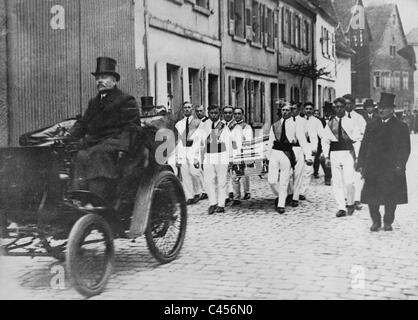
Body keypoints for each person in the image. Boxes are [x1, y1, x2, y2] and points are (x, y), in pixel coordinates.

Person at [70, 57, 141, 204]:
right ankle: (79, 199)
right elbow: (83, 123)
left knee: (97, 154)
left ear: (114, 81)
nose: (99, 81)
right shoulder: (94, 102)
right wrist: (69, 137)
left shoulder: (126, 100)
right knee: (79, 155)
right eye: (97, 78)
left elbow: (131, 127)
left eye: (103, 77)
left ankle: (99, 202)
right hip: (97, 142)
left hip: (116, 142)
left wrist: (123, 148)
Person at [358, 93, 410, 232]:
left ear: (392, 109)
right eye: (379, 107)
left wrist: (400, 164)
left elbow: (405, 148)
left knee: (391, 196)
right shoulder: (371, 125)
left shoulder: (401, 126)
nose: (380, 110)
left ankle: (388, 221)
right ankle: (376, 221)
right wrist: (361, 164)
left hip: (392, 168)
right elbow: (364, 145)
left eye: (384, 108)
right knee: (371, 196)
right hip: (373, 167)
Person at [322, 98, 361, 218]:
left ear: (345, 108)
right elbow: (325, 141)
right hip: (334, 153)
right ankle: (341, 207)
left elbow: (357, 140)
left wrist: (357, 156)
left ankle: (350, 203)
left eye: (341, 107)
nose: (338, 109)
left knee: (349, 181)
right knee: (337, 182)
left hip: (347, 153)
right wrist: (326, 156)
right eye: (336, 107)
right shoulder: (330, 124)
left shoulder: (351, 122)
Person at [267, 103, 303, 214]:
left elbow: (302, 139)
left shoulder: (296, 125)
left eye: (288, 110)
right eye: (283, 110)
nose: (285, 112)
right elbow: (270, 141)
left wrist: (307, 154)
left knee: (284, 180)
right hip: (275, 153)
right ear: (280, 111)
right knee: (272, 180)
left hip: (287, 153)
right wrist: (268, 156)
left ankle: (281, 204)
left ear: (291, 112)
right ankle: (282, 195)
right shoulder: (275, 125)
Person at [199, 105, 233, 214]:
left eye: (215, 113)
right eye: (211, 113)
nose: (213, 115)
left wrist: (230, 158)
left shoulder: (223, 127)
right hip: (208, 155)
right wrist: (198, 158)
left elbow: (228, 144)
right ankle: (212, 203)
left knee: (222, 181)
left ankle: (221, 204)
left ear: (219, 114)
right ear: (208, 113)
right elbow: (199, 143)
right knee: (209, 180)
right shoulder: (203, 125)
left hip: (221, 154)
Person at [175, 102, 202, 205]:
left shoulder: (197, 122)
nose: (187, 109)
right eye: (185, 108)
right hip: (183, 150)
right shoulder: (179, 124)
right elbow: (178, 140)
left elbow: (199, 139)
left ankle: (198, 191)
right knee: (185, 174)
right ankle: (190, 196)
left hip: (194, 150)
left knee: (194, 172)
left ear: (192, 109)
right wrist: (178, 156)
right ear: (183, 109)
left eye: (189, 107)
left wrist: (198, 153)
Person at [343, 94, 367, 211]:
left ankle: (357, 199)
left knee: (357, 175)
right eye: (345, 103)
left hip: (357, 147)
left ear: (353, 104)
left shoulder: (359, 118)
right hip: (343, 149)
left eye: (349, 103)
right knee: (346, 175)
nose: (347, 105)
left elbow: (365, 133)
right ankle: (348, 199)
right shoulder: (339, 118)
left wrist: (358, 142)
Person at [287, 102, 311, 207]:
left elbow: (305, 138)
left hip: (299, 148)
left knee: (298, 174)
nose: (292, 111)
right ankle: (290, 194)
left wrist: (308, 155)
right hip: (287, 149)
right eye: (290, 109)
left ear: (299, 110)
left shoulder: (304, 122)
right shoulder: (286, 121)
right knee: (287, 173)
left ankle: (295, 197)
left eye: (294, 109)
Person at [300, 102, 323, 199]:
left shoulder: (317, 121)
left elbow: (322, 135)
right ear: (304, 110)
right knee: (299, 169)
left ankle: (302, 192)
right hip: (300, 147)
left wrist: (319, 149)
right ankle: (295, 190)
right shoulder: (300, 121)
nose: (308, 110)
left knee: (308, 170)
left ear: (313, 110)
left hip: (311, 147)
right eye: (306, 109)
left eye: (310, 109)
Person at [231, 107, 253, 203]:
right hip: (233, 153)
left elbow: (248, 141)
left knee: (244, 173)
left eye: (239, 113)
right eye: (235, 114)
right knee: (234, 175)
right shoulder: (231, 126)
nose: (237, 116)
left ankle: (247, 191)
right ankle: (236, 196)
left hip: (244, 153)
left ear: (242, 115)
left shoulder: (246, 127)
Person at [222, 106, 243, 204]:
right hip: (221, 153)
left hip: (233, 154)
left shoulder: (236, 127)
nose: (227, 115)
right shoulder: (219, 126)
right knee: (224, 177)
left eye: (230, 113)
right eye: (225, 113)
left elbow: (237, 144)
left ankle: (236, 197)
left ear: (232, 114)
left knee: (235, 177)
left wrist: (234, 157)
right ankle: (225, 196)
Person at [313, 103, 332, 185]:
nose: (327, 112)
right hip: (322, 143)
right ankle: (327, 175)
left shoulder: (334, 120)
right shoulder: (319, 121)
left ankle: (329, 175)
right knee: (321, 158)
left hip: (333, 143)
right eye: (325, 111)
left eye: (329, 111)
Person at [194, 105, 209, 200]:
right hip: (197, 148)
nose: (199, 113)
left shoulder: (208, 122)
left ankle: (206, 191)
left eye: (201, 111)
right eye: (197, 111)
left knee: (205, 170)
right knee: (198, 170)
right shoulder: (195, 122)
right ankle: (204, 190)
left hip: (206, 148)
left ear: (204, 111)